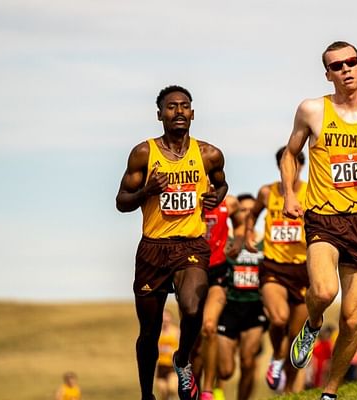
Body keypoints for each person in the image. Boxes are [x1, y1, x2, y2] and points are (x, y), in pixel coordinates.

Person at [281, 40, 357, 400]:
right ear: (328, 74)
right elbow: (290, 153)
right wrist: (290, 193)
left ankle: (330, 392)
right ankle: (314, 322)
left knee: (351, 318)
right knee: (323, 291)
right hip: (322, 216)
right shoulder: (311, 111)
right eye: (337, 66)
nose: (346, 69)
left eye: (351, 62)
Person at [116, 85, 228, 400]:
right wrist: (146, 191)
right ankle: (146, 395)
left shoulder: (208, 154)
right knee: (149, 332)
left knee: (192, 308)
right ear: (159, 114)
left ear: (192, 113)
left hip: (190, 245)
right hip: (153, 248)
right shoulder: (143, 153)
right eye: (171, 107)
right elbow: (122, 201)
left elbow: (221, 185)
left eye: (184, 106)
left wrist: (213, 198)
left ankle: (182, 360)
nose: (178, 111)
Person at [235, 147, 310, 394]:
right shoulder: (267, 192)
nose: (288, 169)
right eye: (283, 164)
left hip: (302, 269)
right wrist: (247, 232)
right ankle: (276, 355)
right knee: (278, 318)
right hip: (274, 267)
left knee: (296, 337)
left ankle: (289, 388)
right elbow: (253, 213)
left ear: (301, 166)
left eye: (293, 164)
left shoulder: (311, 192)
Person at [215, 193, 269, 400]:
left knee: (248, 361)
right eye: (242, 210)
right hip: (228, 308)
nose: (246, 214)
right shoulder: (226, 242)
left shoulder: (265, 244)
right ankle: (215, 389)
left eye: (250, 210)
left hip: (254, 308)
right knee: (226, 369)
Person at [192, 194, 244, 400]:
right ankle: (191, 390)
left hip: (218, 273)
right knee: (193, 341)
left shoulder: (229, 203)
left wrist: (238, 242)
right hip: (191, 272)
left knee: (209, 326)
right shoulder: (190, 199)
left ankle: (208, 390)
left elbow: (240, 224)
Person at [156, 310, 180, 400]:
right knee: (163, 392)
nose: (165, 319)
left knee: (172, 388)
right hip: (160, 366)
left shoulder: (176, 331)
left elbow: (182, 348)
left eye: (167, 317)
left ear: (170, 318)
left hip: (172, 366)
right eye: (163, 317)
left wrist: (172, 351)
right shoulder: (156, 332)